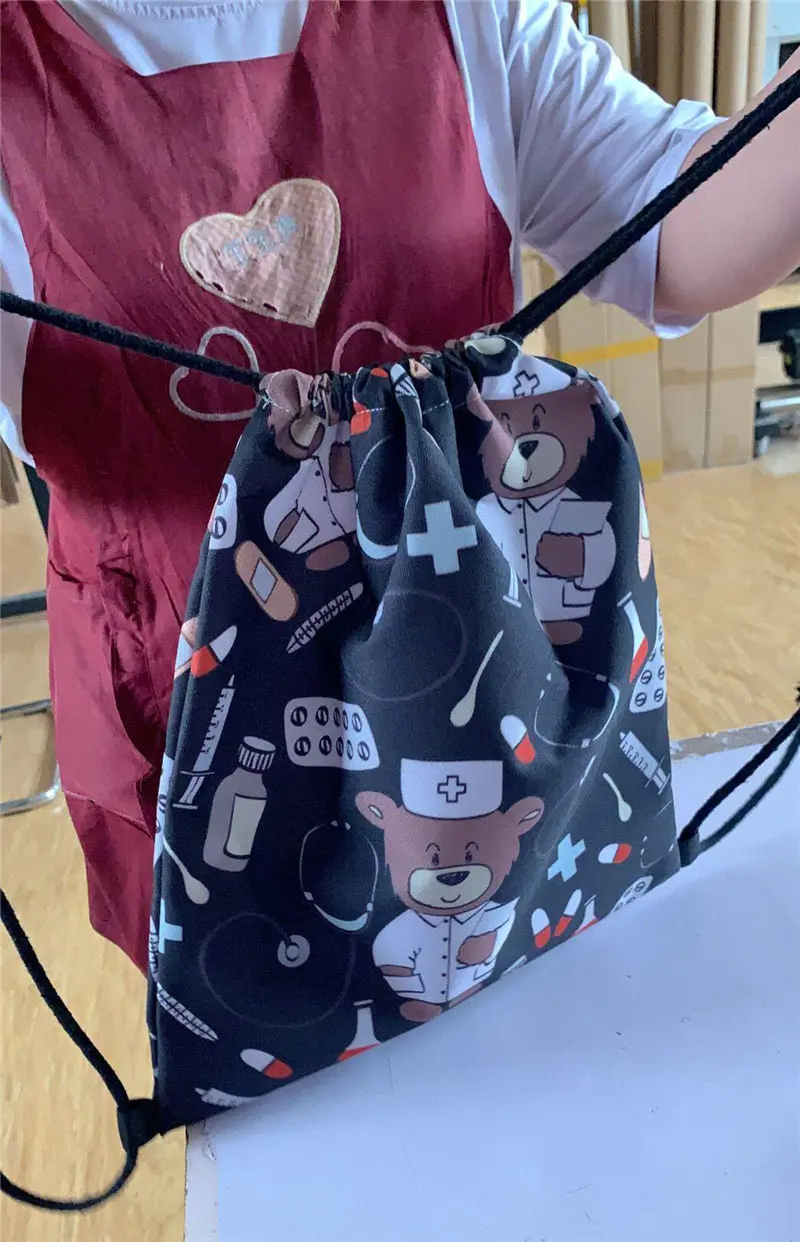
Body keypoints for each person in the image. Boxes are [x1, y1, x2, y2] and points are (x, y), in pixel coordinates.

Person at [1, 1, 798, 974]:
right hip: (194, 727)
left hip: (477, 683)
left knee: (531, 996)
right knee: (251, 1013)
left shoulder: (466, 13)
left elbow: (670, 225)